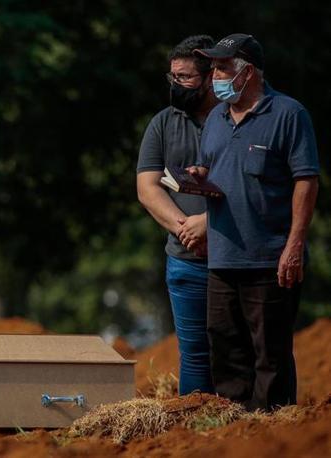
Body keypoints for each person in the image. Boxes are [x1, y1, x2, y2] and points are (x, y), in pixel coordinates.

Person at [188, 34, 319, 410]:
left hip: (269, 259)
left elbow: (306, 181)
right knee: (225, 349)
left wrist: (293, 247)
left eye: (223, 67)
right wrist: (199, 175)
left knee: (270, 356)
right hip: (222, 257)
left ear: (248, 73)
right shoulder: (215, 117)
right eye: (213, 67)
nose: (215, 74)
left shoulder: (289, 114)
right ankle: (234, 430)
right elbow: (216, 170)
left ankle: (271, 430)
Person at [137, 35, 218, 395]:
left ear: (210, 75)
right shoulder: (162, 123)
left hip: (236, 259)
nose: (176, 85)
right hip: (185, 260)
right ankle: (198, 431)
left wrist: (210, 229)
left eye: (184, 77)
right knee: (195, 357)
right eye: (172, 77)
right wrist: (186, 230)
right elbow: (148, 188)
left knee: (241, 352)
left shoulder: (235, 119)